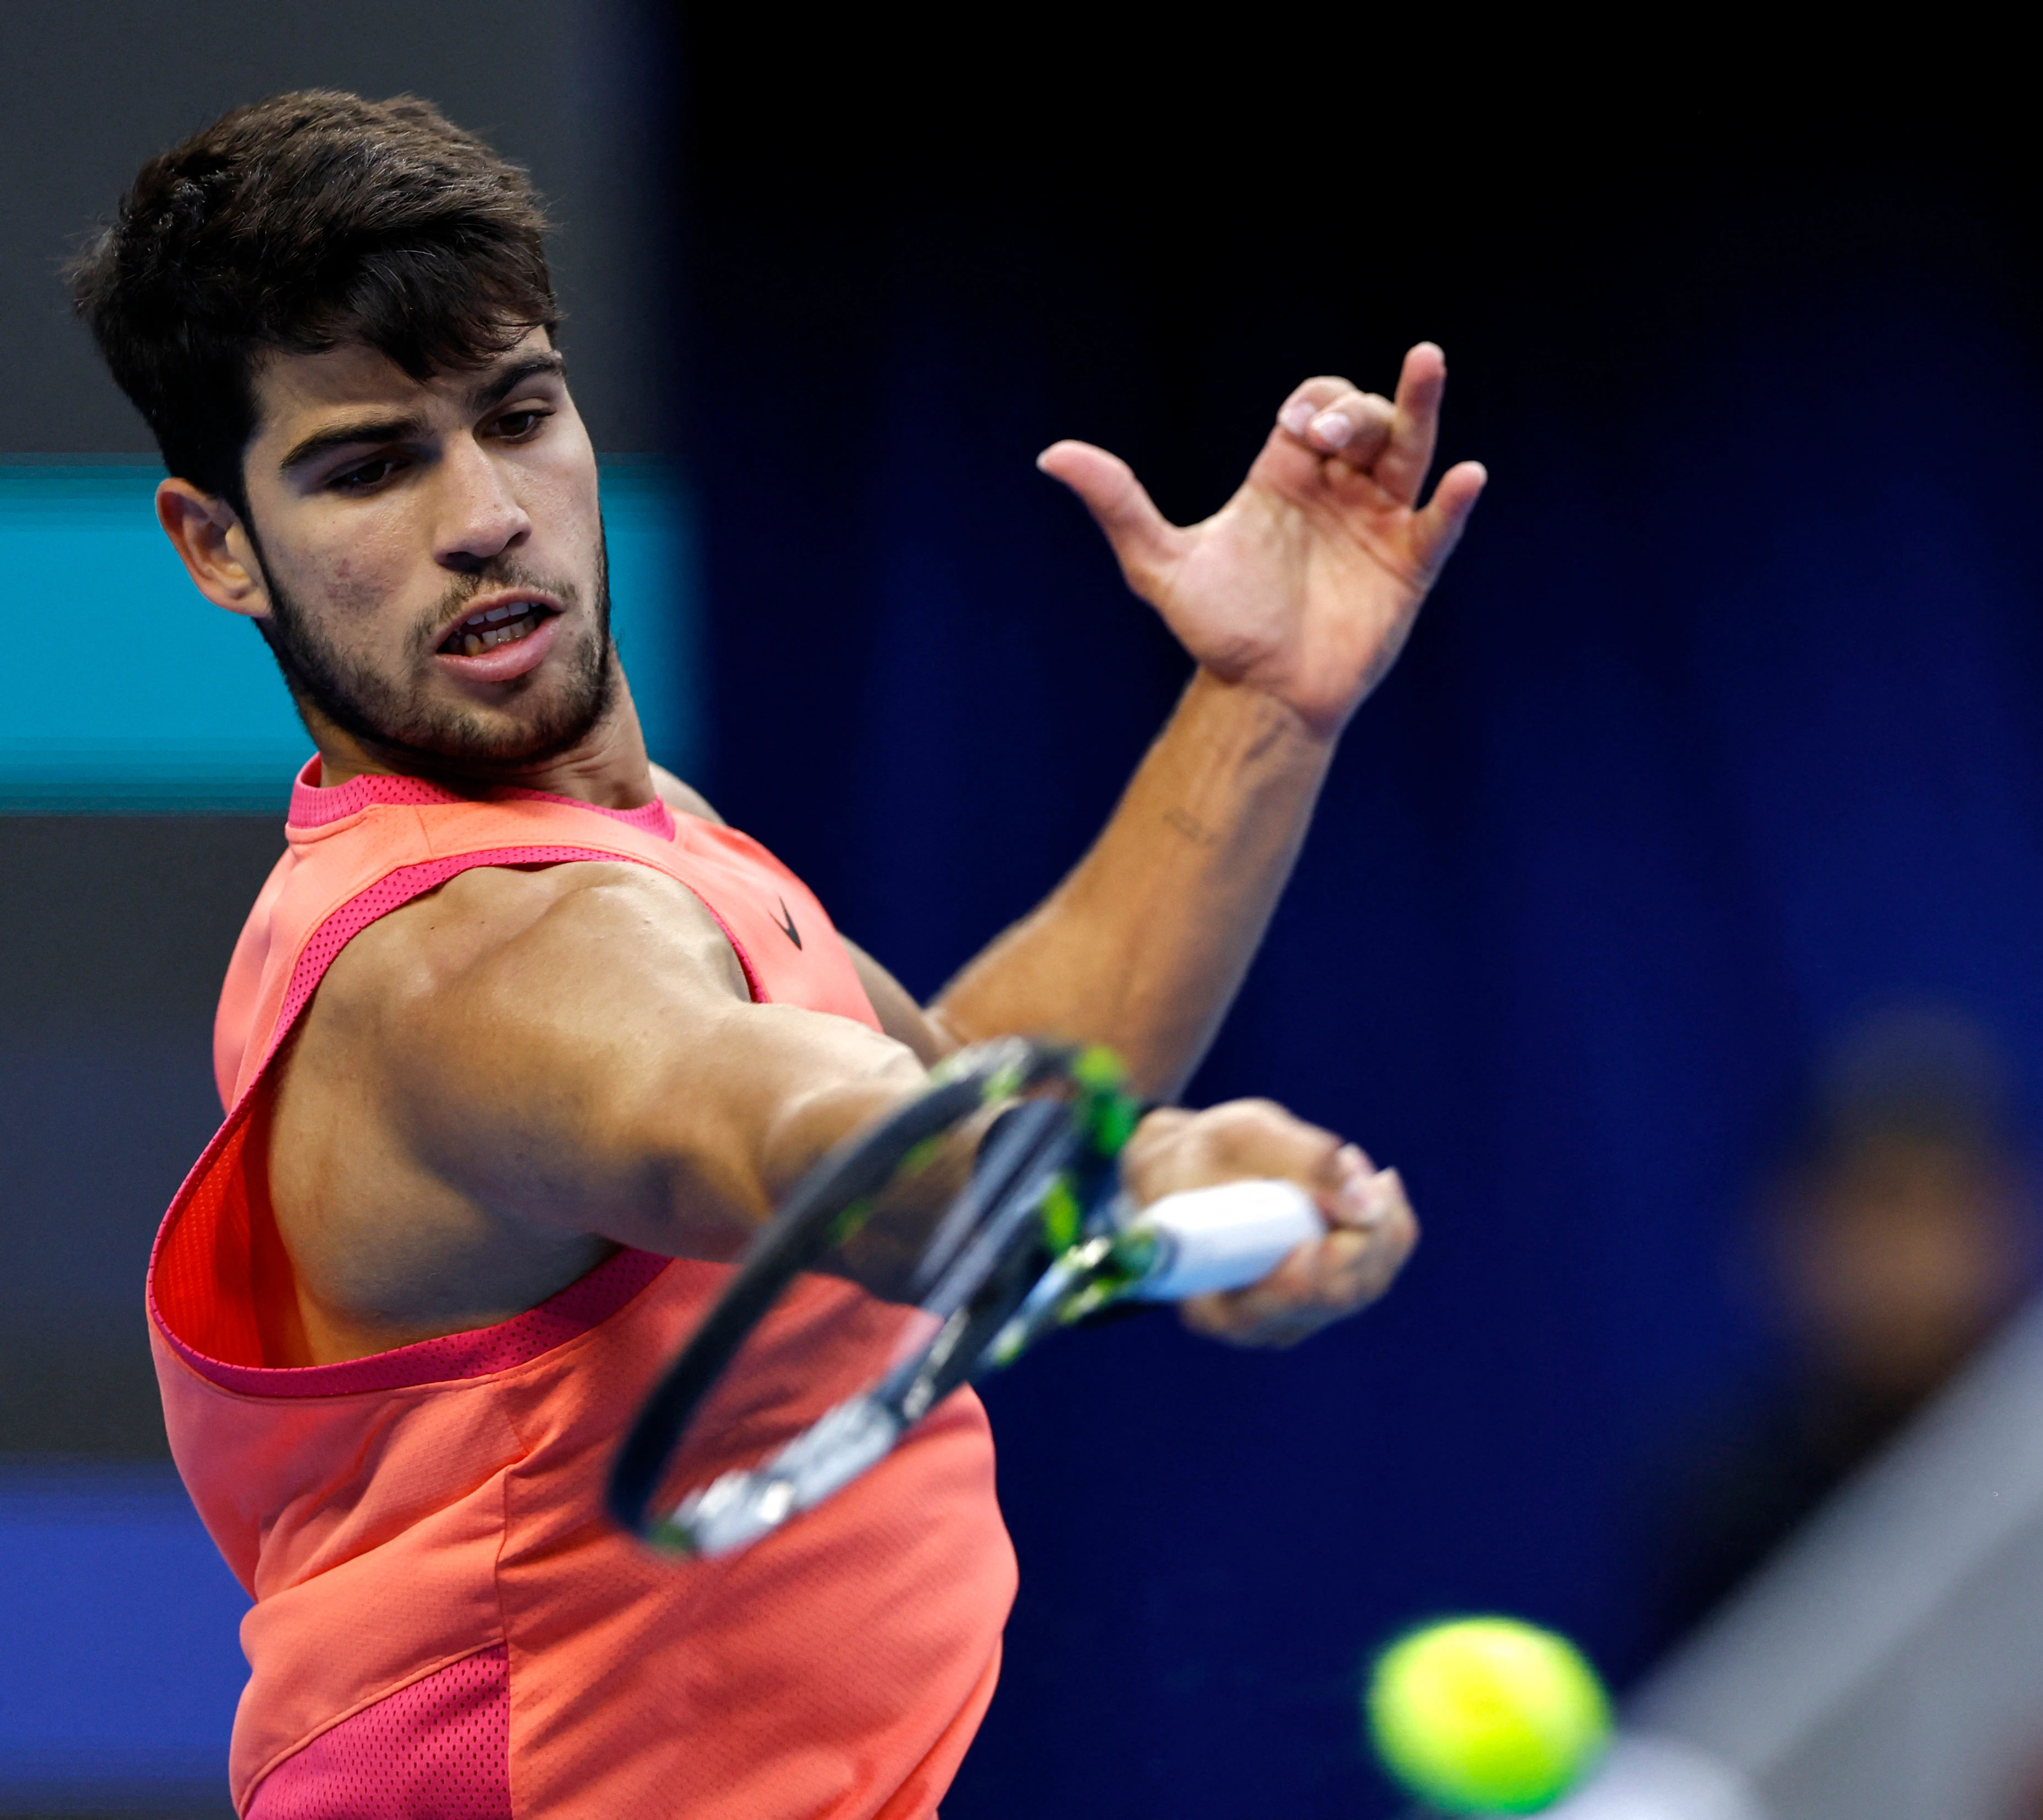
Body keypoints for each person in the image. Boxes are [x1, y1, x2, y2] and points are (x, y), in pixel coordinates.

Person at [69, 90, 1482, 1817]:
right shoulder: (475, 959)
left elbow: (939, 1070)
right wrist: (1117, 1177)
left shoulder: (642, 833)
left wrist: (1258, 705)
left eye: (519, 414)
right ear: (220, 546)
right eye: (370, 463)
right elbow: (810, 1152)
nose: (486, 511)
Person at [1639, 1005, 2042, 1657]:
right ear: (1792, 1237)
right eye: (1880, 1206)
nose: (1914, 1258)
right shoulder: (1723, 1510)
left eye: (1945, 1207)